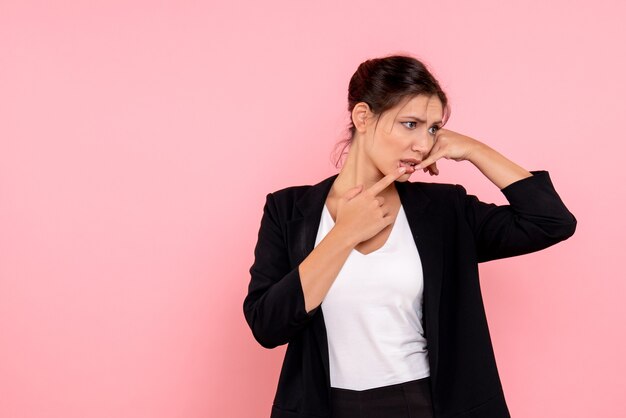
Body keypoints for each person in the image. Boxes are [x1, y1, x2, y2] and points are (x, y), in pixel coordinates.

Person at [243, 54, 577, 418]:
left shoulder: (445, 211)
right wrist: (344, 235)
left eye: (432, 129)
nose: (423, 144)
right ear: (363, 117)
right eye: (410, 124)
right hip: (323, 407)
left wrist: (473, 150)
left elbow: (550, 220)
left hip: (422, 404)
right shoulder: (289, 210)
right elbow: (267, 325)